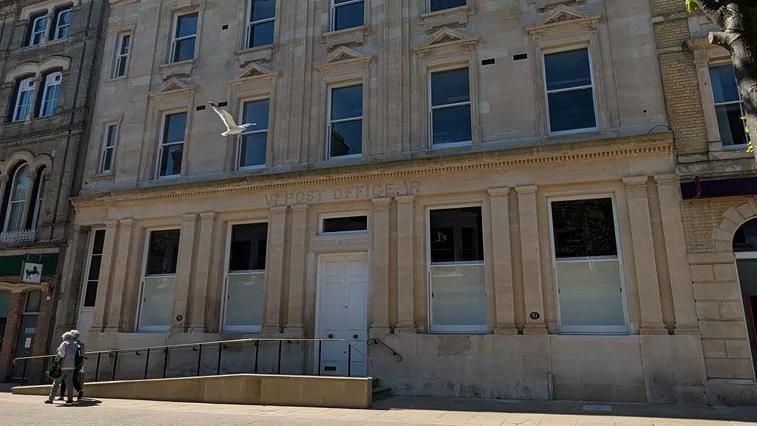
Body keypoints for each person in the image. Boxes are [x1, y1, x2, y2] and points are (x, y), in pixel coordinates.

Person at [45, 332, 77, 404]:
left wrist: (58, 352)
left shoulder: (64, 344)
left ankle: (51, 399)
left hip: (63, 366)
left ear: (65, 338)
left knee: (56, 383)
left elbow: (61, 354)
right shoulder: (75, 344)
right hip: (72, 366)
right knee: (69, 383)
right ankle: (70, 399)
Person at [58, 329, 85, 401]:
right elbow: (82, 354)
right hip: (78, 364)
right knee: (73, 378)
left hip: (68, 363)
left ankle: (62, 395)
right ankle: (79, 390)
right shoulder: (81, 344)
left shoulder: (68, 343)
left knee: (65, 379)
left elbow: (62, 353)